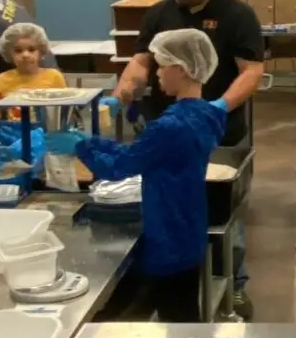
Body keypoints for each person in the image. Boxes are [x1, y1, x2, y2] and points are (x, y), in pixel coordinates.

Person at [79, 30, 228, 321]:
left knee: (174, 325)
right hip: (189, 229)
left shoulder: (171, 126)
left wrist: (79, 146)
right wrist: (95, 142)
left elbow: (119, 167)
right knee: (184, 313)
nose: (156, 72)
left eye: (162, 65)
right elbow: (144, 151)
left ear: (182, 70)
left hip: (167, 238)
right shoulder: (207, 114)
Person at [118, 0, 267, 150]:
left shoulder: (238, 16)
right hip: (164, 128)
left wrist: (220, 107)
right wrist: (120, 96)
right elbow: (141, 62)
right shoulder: (159, 14)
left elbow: (251, 71)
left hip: (216, 132)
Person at [0, 21, 66, 112]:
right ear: (8, 54)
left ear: (41, 52)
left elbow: (64, 107)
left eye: (31, 49)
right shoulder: (4, 79)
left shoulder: (53, 77)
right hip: (14, 125)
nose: (25, 55)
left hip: (45, 125)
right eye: (18, 50)